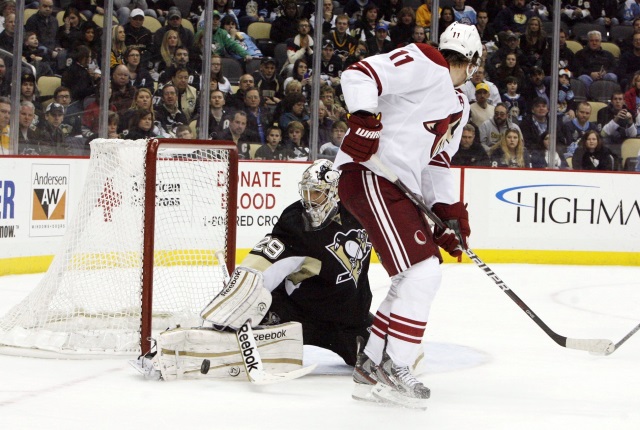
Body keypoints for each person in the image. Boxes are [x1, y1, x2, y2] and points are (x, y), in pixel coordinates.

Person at [333, 22, 482, 408]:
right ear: (475, 62)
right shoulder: (426, 60)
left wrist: (447, 216)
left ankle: (371, 368)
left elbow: (437, 163)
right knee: (424, 272)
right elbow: (359, 73)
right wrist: (364, 119)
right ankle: (394, 368)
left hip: (396, 186)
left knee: (410, 276)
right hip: (370, 174)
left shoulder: (458, 105)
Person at [574, 31, 618, 98]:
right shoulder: (580, 54)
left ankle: (608, 99)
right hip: (588, 77)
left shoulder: (608, 55)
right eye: (592, 41)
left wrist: (606, 72)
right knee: (583, 78)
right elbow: (577, 69)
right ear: (588, 42)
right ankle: (590, 98)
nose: (594, 43)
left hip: (604, 76)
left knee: (612, 76)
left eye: (597, 41)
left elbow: (614, 67)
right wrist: (590, 74)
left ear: (600, 42)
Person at [598, 90, 636, 161]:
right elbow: (603, 134)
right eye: (615, 99)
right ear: (611, 101)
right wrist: (616, 119)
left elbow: (633, 136)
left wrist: (630, 122)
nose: (618, 101)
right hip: (608, 144)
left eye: (620, 99)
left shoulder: (630, 113)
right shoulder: (602, 112)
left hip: (624, 143)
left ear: (624, 101)